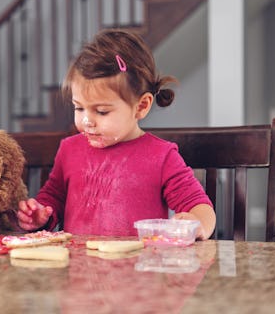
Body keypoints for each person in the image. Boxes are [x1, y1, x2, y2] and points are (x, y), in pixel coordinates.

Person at [16, 29, 216, 240]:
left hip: (137, 268)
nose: (87, 121)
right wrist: (40, 215)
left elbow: (199, 206)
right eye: (79, 108)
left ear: (141, 106)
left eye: (101, 111)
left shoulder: (161, 156)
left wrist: (196, 223)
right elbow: (53, 199)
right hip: (77, 269)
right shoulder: (69, 149)